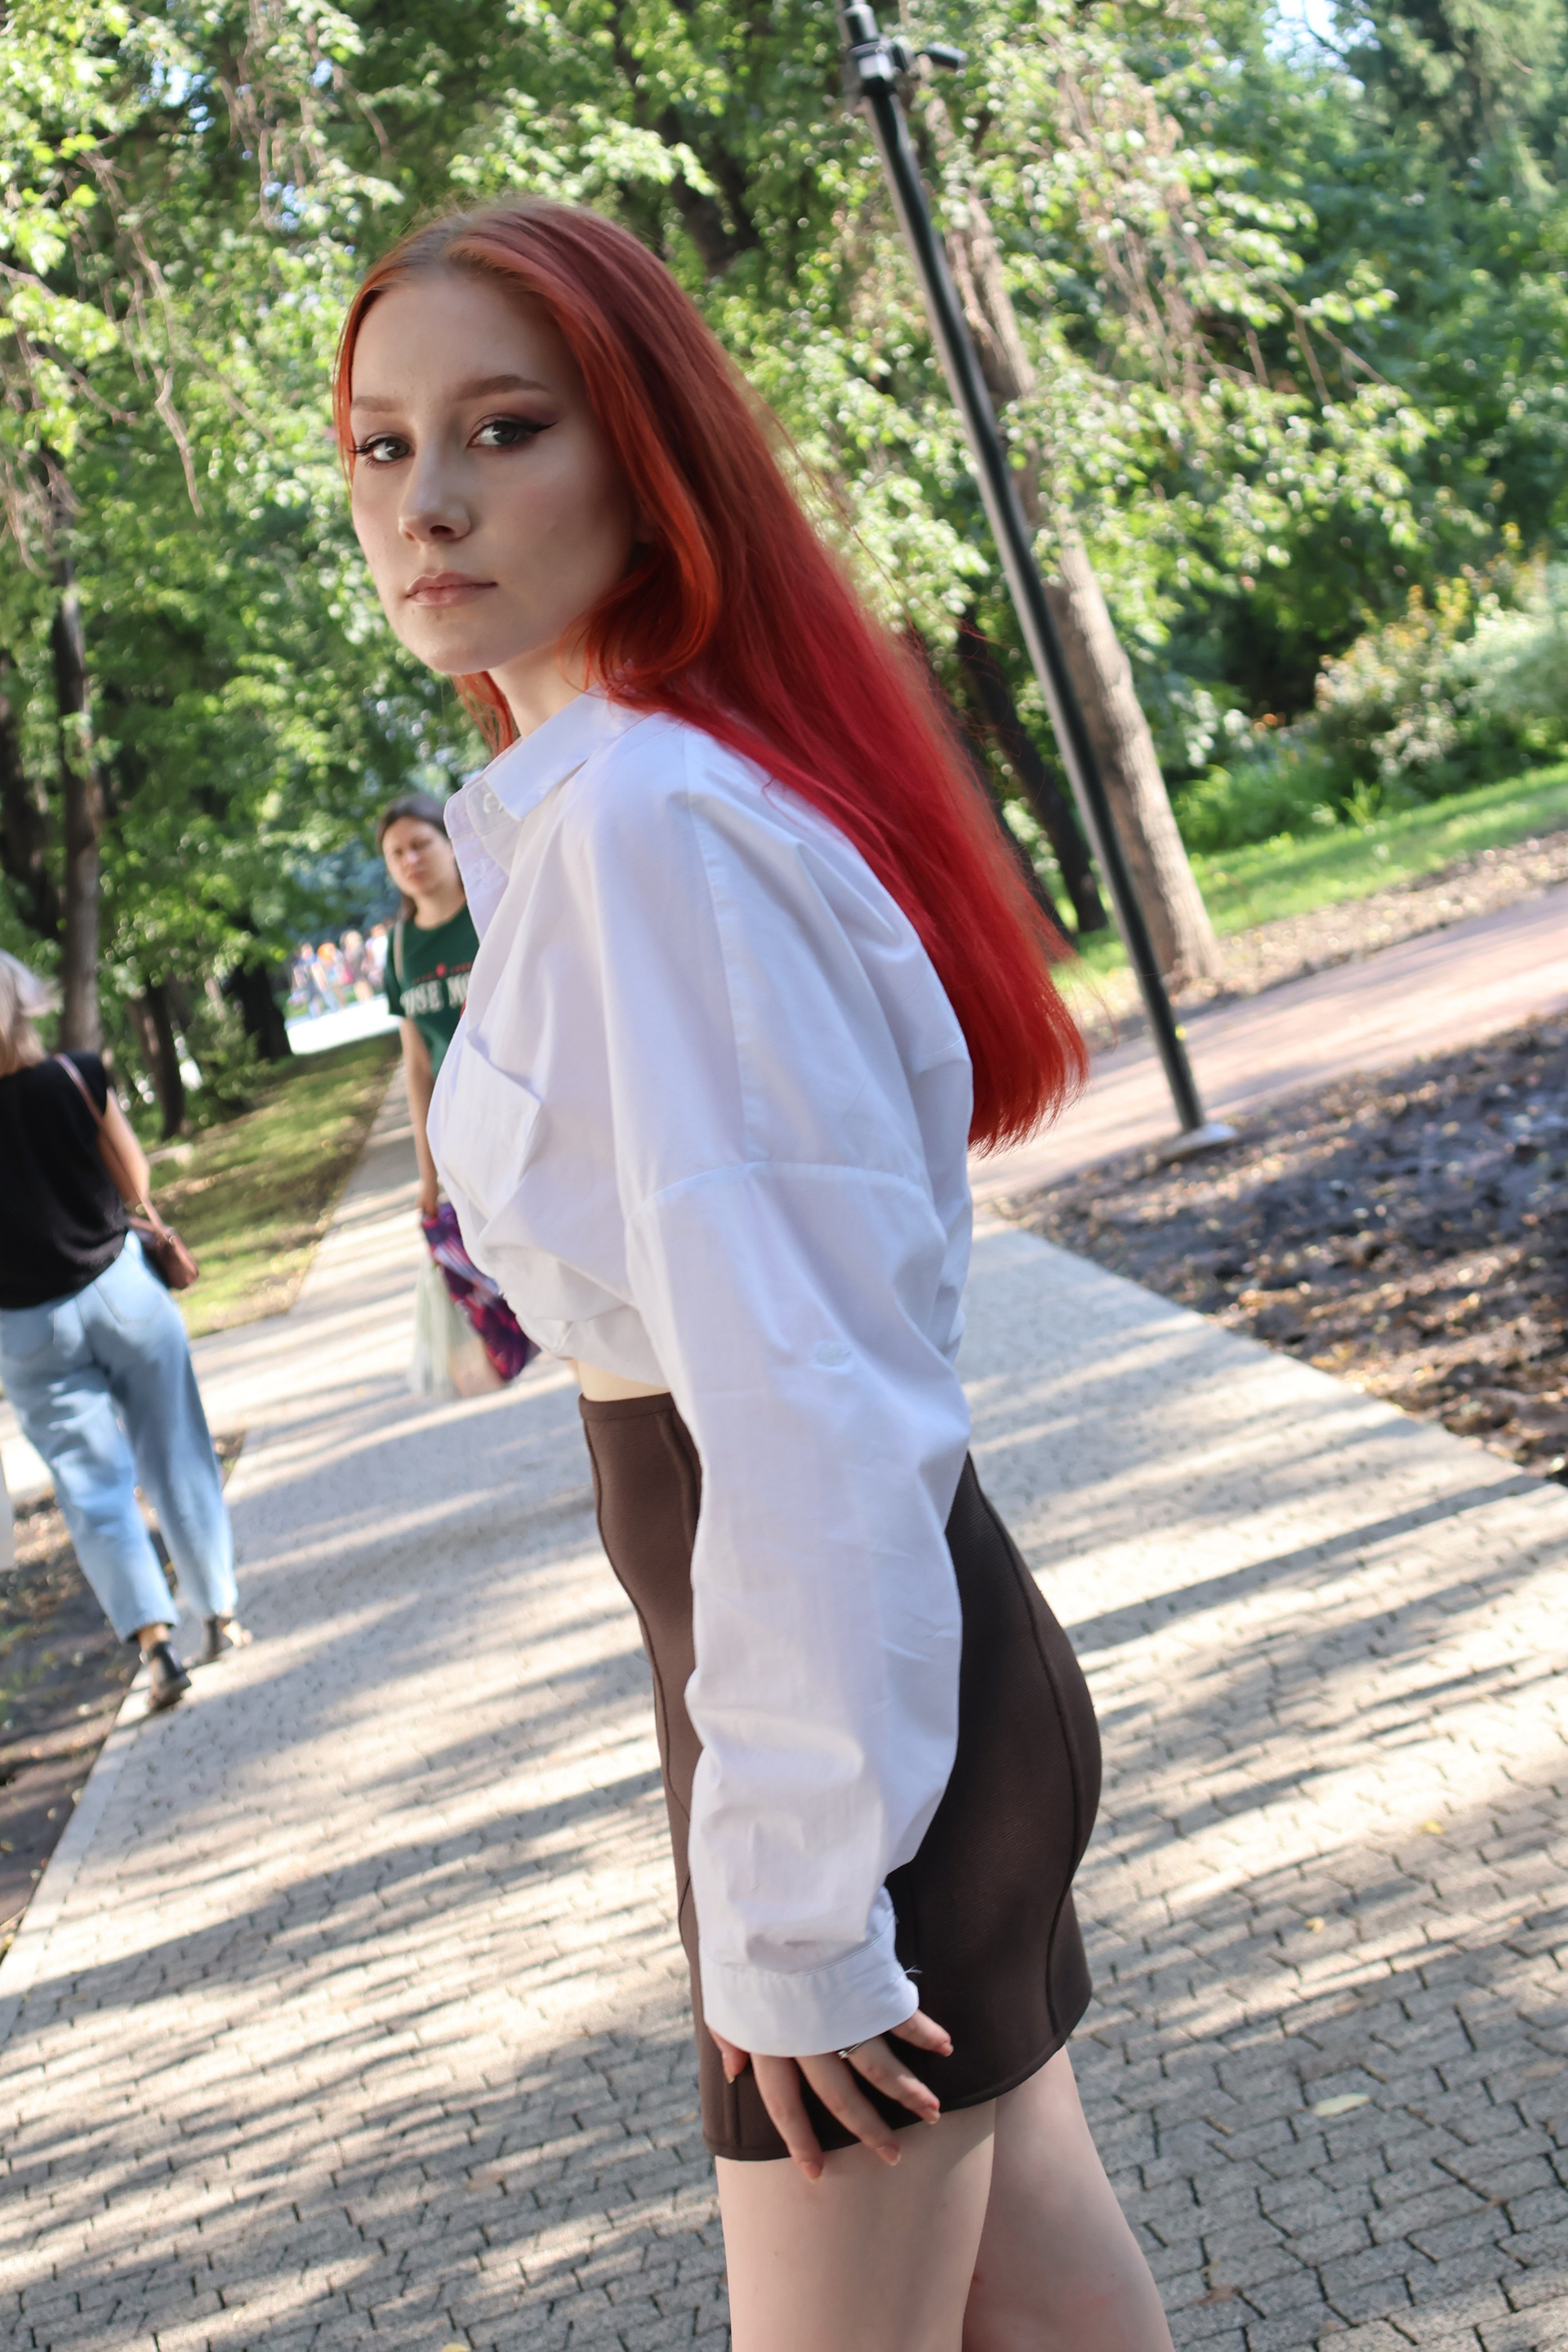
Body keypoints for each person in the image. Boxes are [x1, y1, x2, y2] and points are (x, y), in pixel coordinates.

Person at [336, 203, 1174, 2352]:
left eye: (503, 429)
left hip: (850, 1728)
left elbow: (805, 1407)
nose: (427, 502)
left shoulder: (649, 829)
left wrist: (797, 1915)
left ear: (646, 459)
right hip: (848, 1701)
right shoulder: (592, 813)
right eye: (381, 445)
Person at [0, 955, 247, 1709]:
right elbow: (136, 1181)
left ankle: (155, 1646)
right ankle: (219, 1614)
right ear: (25, 1002)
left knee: (90, 1485)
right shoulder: (77, 1075)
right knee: (177, 1451)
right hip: (121, 1291)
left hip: (25, 1326)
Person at [376, 792, 479, 1219]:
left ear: (451, 843)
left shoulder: (491, 913)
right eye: (396, 853)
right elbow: (418, 1065)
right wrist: (428, 1173)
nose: (410, 860)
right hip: (461, 1133)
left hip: (526, 1116)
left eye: (420, 844)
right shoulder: (400, 947)